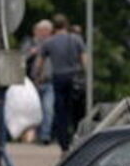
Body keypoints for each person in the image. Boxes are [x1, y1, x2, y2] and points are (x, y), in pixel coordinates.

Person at [34, 13, 87, 152]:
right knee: (76, 111)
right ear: (66, 25)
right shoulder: (76, 40)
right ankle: (78, 139)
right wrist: (85, 75)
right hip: (75, 78)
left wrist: (37, 77)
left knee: (61, 113)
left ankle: (64, 145)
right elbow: (84, 60)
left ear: (54, 27)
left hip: (58, 79)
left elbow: (39, 63)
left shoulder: (49, 42)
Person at [26, 19, 54, 144]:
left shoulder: (54, 43)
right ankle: (33, 135)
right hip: (33, 83)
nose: (44, 33)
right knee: (34, 110)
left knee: (48, 109)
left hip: (49, 81)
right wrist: (32, 52)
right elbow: (22, 57)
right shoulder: (31, 43)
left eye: (47, 31)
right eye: (42, 30)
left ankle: (45, 136)